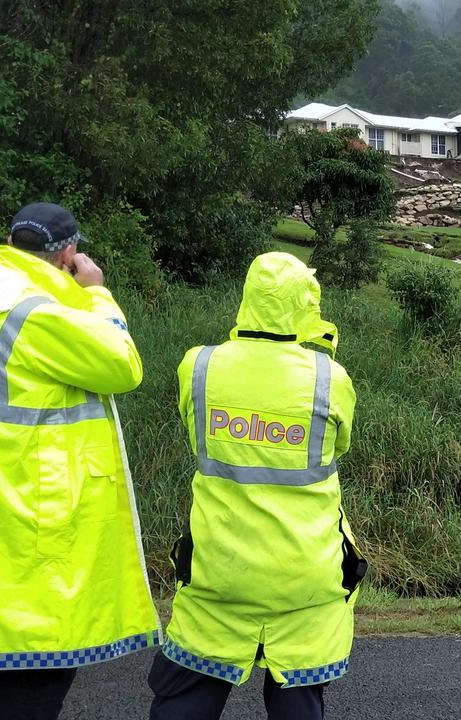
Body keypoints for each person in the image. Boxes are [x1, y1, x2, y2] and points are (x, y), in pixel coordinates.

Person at [0, 202, 161, 720]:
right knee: (43, 657)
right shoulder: (36, 313)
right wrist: (96, 292)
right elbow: (123, 364)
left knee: (8, 652)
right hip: (38, 511)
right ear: (69, 253)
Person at [148, 251, 367, 720]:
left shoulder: (199, 366)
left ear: (247, 297)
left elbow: (195, 431)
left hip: (218, 570)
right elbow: (339, 446)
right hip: (304, 575)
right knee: (298, 701)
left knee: (185, 700)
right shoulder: (331, 378)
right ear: (306, 303)